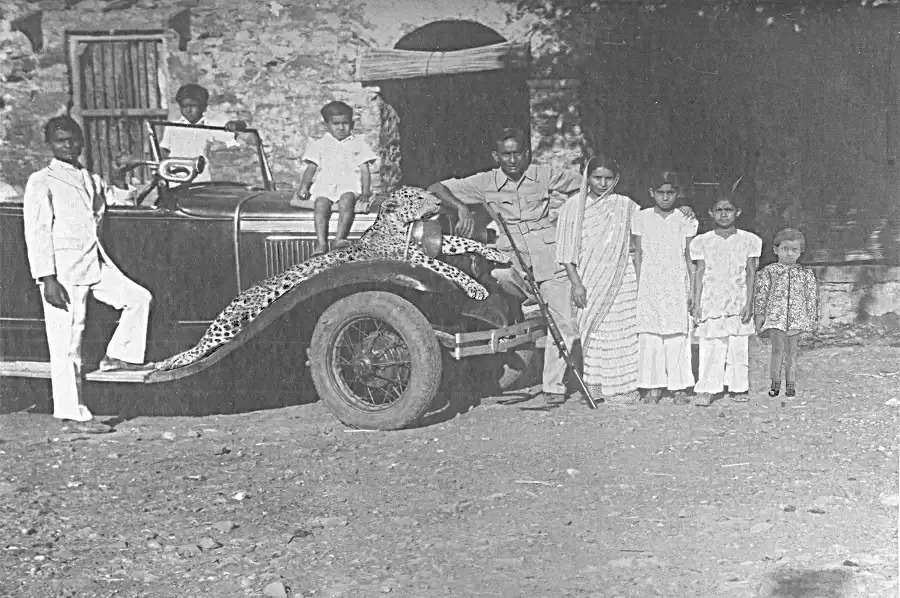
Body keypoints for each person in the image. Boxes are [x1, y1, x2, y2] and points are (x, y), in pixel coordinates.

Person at [428, 127, 582, 404]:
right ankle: (530, 309)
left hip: (548, 257)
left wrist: (570, 219)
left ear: (527, 154)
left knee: (566, 322)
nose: (512, 160)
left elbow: (585, 186)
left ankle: (553, 386)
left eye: (518, 154)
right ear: (496, 155)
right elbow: (436, 189)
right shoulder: (485, 182)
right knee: (498, 277)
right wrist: (461, 208)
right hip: (509, 260)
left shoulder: (544, 175)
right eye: (506, 154)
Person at [23, 116, 154, 432]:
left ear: (82, 142)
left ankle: (118, 355)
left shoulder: (90, 178)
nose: (69, 146)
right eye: (61, 141)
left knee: (139, 299)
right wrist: (47, 277)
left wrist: (122, 175)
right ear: (50, 145)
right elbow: (37, 232)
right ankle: (73, 414)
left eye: (74, 140)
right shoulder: (41, 181)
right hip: (64, 272)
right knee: (68, 342)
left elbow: (118, 201)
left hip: (96, 263)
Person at [555, 155, 641, 404]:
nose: (603, 184)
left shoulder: (626, 205)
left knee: (622, 335)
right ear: (587, 177)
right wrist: (576, 283)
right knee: (595, 334)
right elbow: (565, 252)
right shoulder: (573, 207)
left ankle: (624, 389)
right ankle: (596, 388)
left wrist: (683, 211)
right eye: (597, 178)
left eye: (608, 178)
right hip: (588, 279)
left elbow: (647, 230)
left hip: (622, 279)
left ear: (617, 179)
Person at [689, 193, 761, 406]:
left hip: (737, 298)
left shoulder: (749, 240)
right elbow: (699, 273)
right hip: (711, 298)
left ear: (737, 212)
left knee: (738, 345)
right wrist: (696, 300)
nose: (723, 214)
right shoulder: (702, 241)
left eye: (728, 210)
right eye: (719, 210)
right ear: (711, 213)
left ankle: (738, 386)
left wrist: (749, 302)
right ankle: (708, 388)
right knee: (711, 344)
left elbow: (750, 273)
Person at [632, 170, 698, 404]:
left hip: (676, 280)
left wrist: (692, 288)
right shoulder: (642, 217)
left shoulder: (685, 218)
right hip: (650, 282)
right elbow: (638, 253)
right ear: (652, 193)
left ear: (677, 193)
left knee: (677, 334)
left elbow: (690, 256)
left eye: (670, 193)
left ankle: (679, 385)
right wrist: (640, 285)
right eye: (660, 193)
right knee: (650, 334)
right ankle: (653, 385)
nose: (666, 197)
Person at [290, 101, 377, 255]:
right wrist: (303, 187)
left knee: (347, 200)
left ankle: (339, 238)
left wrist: (365, 192)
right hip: (325, 184)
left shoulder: (358, 144)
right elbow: (311, 168)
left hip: (348, 184)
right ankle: (321, 243)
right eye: (336, 124)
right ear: (326, 125)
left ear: (352, 124)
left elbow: (365, 170)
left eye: (345, 123)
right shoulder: (319, 144)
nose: (341, 128)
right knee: (320, 204)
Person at [753, 228, 818, 398]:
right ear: (776, 250)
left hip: (796, 319)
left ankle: (791, 384)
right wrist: (759, 316)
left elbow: (811, 297)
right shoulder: (769, 272)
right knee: (777, 350)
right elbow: (761, 295)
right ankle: (775, 383)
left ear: (800, 252)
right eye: (785, 249)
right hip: (776, 318)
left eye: (794, 250)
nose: (789, 253)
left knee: (792, 352)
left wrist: (811, 319)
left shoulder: (805, 274)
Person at [159, 83, 247, 182]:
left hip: (200, 181)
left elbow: (236, 131)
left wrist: (236, 125)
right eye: (184, 106)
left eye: (193, 106)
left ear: (203, 107)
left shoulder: (209, 127)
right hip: (175, 181)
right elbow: (164, 151)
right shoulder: (173, 127)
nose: (188, 110)